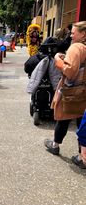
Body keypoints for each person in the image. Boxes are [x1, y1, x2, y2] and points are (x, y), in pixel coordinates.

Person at [44, 21, 86, 156]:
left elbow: (69, 71)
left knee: (63, 116)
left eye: (73, 33)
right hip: (83, 90)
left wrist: (58, 60)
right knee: (82, 122)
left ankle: (55, 145)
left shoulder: (76, 48)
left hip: (71, 89)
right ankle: (82, 153)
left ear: (83, 34)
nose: (71, 36)